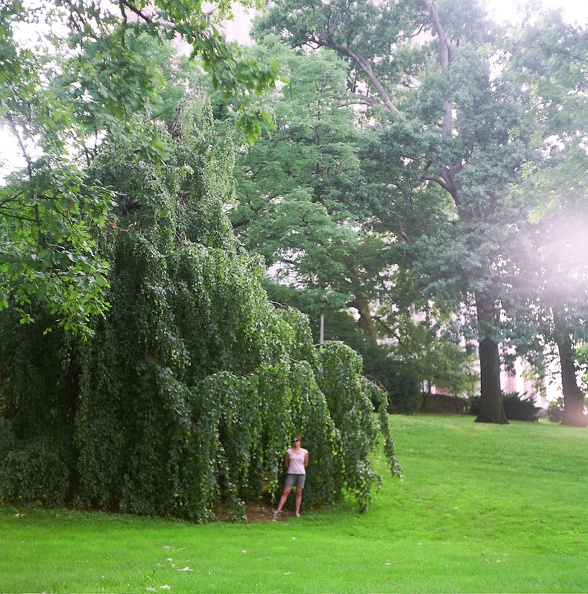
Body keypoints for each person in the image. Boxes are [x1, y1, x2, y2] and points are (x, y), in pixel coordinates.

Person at [274, 436, 309, 517]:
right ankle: (278, 510)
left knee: (299, 493)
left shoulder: (304, 452)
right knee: (286, 491)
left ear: (300, 442)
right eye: (294, 441)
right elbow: (286, 462)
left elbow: (306, 463)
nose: (295, 442)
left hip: (301, 474)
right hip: (291, 474)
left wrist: (299, 468)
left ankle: (297, 512)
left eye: (297, 441)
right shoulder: (289, 451)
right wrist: (291, 468)